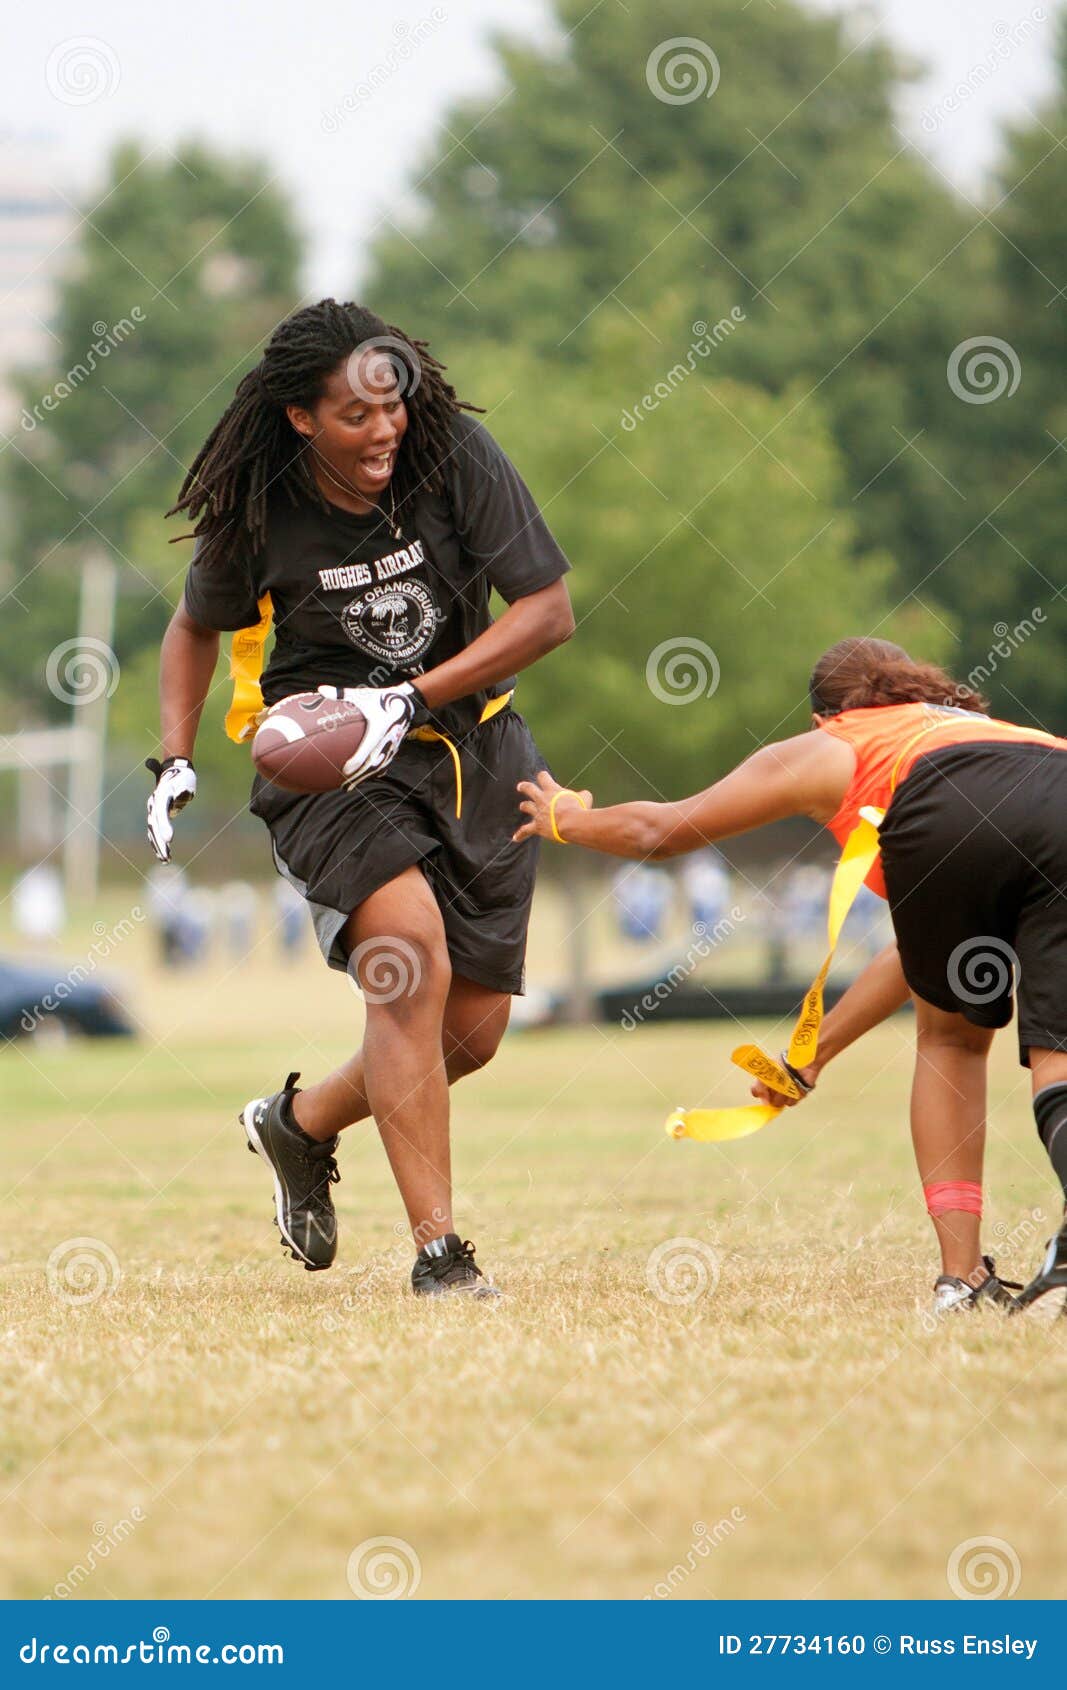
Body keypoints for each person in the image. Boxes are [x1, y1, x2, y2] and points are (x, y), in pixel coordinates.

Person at [147, 299, 574, 1297]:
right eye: (354, 414)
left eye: (392, 403)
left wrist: (412, 695)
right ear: (300, 417)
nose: (383, 428)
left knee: (466, 1036)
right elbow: (192, 627)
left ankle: (295, 1126)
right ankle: (440, 1256)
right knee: (405, 960)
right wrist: (171, 757)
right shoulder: (260, 501)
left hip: (469, 747)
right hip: (329, 767)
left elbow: (547, 611)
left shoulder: (451, 454)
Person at [516, 636, 1067, 1316]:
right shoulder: (989, 730)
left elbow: (658, 833)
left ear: (822, 717)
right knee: (1057, 1049)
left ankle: (961, 1279)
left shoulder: (834, 745)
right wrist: (809, 1057)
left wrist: (569, 821)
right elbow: (916, 953)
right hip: (1060, 782)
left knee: (952, 1039)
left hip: (947, 808)